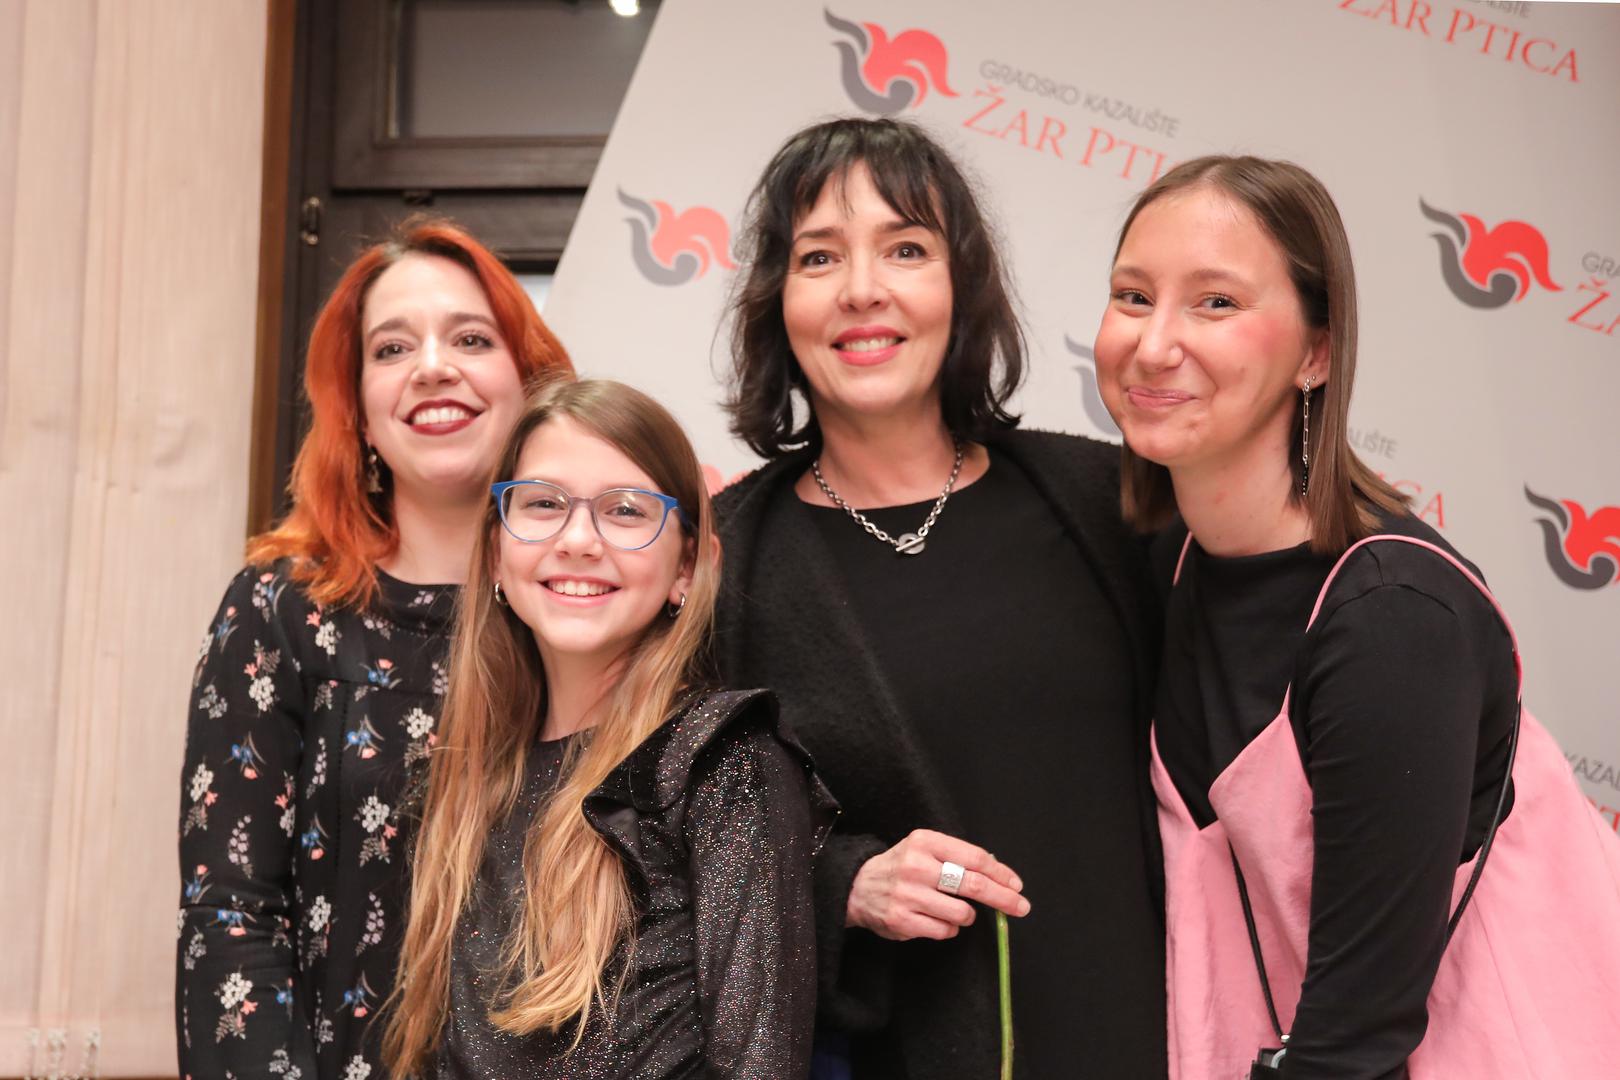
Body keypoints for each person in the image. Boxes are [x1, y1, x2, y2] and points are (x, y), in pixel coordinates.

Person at [1093, 154, 1620, 1078]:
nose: (1154, 342)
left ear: (1316, 353)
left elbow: (1356, 1036)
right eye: (1133, 297)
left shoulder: (1392, 616)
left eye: (1215, 303)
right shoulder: (1168, 563)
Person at [713, 117, 1166, 1078]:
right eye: (819, 257)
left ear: (960, 289)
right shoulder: (719, 560)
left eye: (906, 248)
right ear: (779, 304)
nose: (863, 289)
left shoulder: (1109, 501)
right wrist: (841, 881)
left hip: (1141, 1037)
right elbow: (672, 846)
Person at [176, 219, 573, 1078]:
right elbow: (231, 915)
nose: (434, 366)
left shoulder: (593, 600)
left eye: (471, 338)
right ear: (357, 408)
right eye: (393, 348)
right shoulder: (281, 610)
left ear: (530, 382)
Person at [382, 378, 836, 1079]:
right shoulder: (462, 780)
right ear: (497, 549)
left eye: (626, 512)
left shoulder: (724, 765)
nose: (578, 540)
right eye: (542, 504)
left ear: (688, 567)